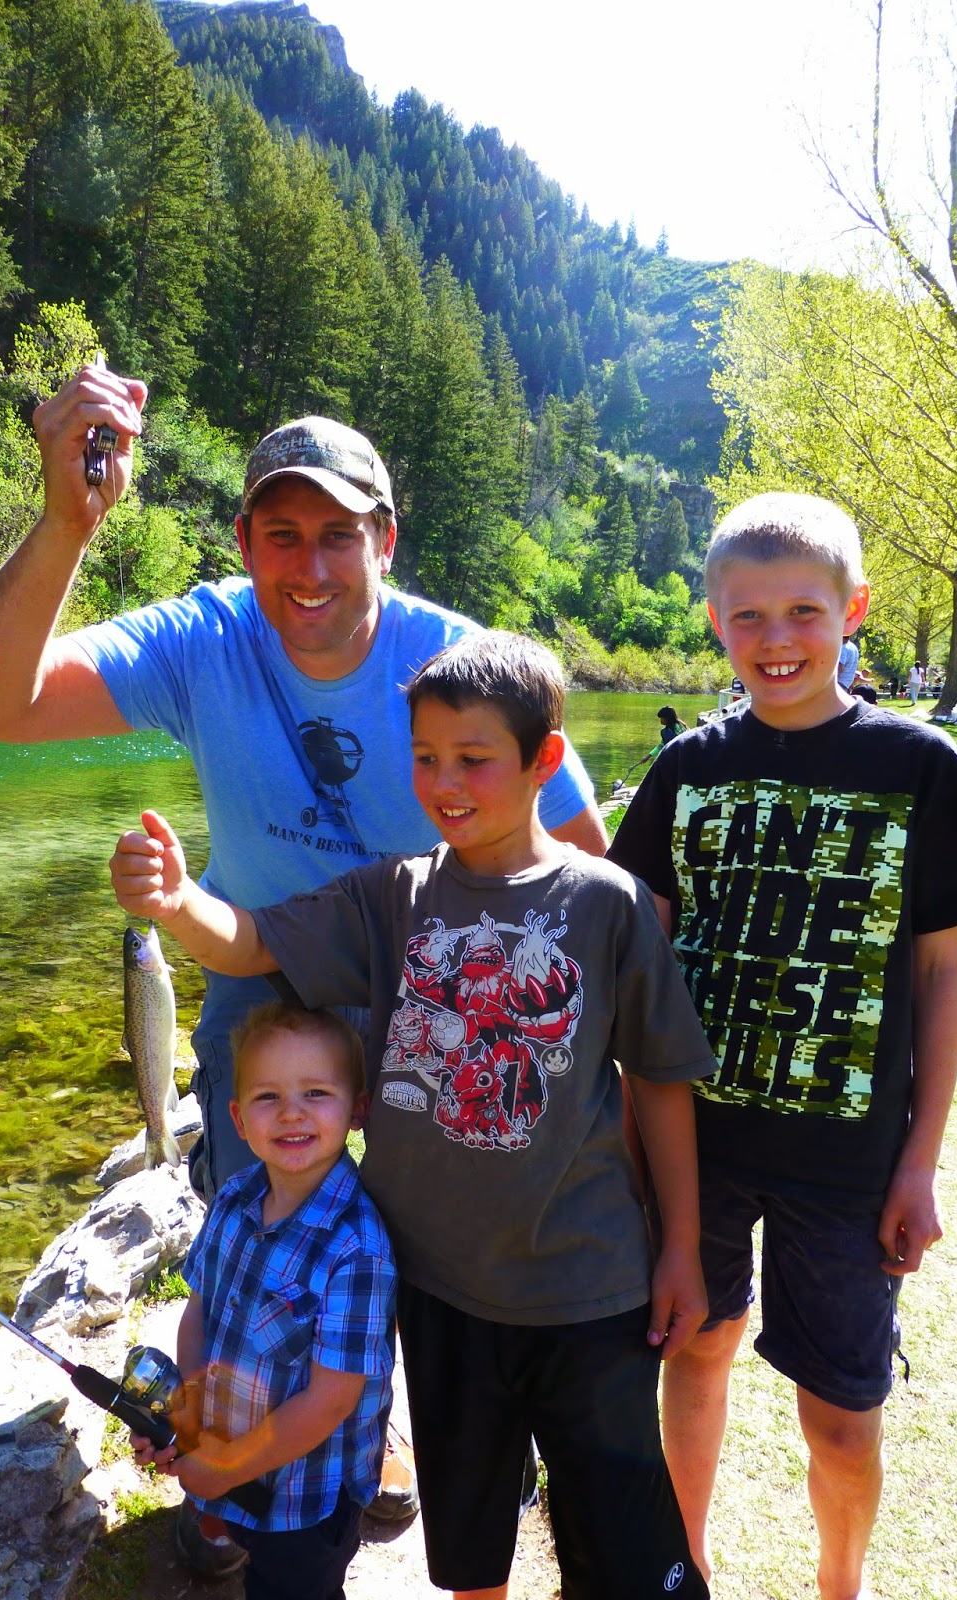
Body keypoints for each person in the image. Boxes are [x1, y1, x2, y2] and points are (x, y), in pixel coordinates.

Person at [0, 368, 605, 1541]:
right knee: (250, 1212)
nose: (309, 567)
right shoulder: (203, 639)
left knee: (408, 1220)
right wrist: (66, 520)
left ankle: (369, 1413)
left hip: (425, 979)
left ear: (385, 540)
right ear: (242, 539)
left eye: (339, 536)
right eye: (280, 534)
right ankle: (234, 1447)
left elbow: (589, 872)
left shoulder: (462, 661)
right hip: (254, 963)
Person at [111, 630, 716, 1600]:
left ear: (543, 761)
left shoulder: (609, 906)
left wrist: (680, 1243)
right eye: (425, 757)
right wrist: (182, 903)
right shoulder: (394, 895)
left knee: (623, 1550)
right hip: (436, 1296)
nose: (445, 781)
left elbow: (662, 1080)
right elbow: (253, 938)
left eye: (473, 758)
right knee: (470, 1544)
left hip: (588, 1293)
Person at [607, 492, 957, 1600]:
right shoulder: (684, 773)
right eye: (748, 616)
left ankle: (843, 1581)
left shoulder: (918, 768)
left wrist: (920, 1161)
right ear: (713, 621)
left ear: (855, 612)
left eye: (803, 610)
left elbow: (941, 975)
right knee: (695, 1350)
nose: (777, 638)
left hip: (849, 1168)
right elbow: (638, 965)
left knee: (841, 1418)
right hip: (698, 1149)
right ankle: (683, 1565)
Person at [133, 1002, 396, 1600]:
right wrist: (188, 1420)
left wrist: (226, 1465)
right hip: (232, 1461)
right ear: (238, 1118)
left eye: (316, 1093)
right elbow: (199, 1310)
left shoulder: (357, 1250)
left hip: (309, 1498)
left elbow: (329, 1402)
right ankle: (224, 1520)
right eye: (267, 1097)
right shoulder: (233, 1197)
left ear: (357, 1109)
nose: (292, 1113)